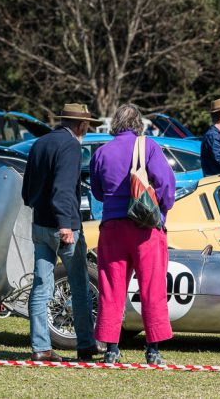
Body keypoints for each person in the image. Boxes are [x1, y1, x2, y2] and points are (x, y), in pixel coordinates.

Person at [90, 104, 176, 364]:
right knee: (152, 287)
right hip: (145, 229)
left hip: (112, 227)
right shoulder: (148, 146)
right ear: (138, 123)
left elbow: (97, 192)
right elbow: (166, 184)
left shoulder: (101, 152)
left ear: (115, 123)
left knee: (111, 288)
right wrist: (161, 209)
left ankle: (111, 349)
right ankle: (153, 349)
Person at [20, 103, 102, 362]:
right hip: (63, 227)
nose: (87, 129)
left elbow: (27, 188)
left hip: (40, 224)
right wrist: (65, 224)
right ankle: (86, 344)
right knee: (79, 286)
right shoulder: (70, 146)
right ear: (81, 125)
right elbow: (64, 188)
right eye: (87, 124)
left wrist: (40, 209)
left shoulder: (40, 143)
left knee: (41, 287)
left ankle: (41, 347)